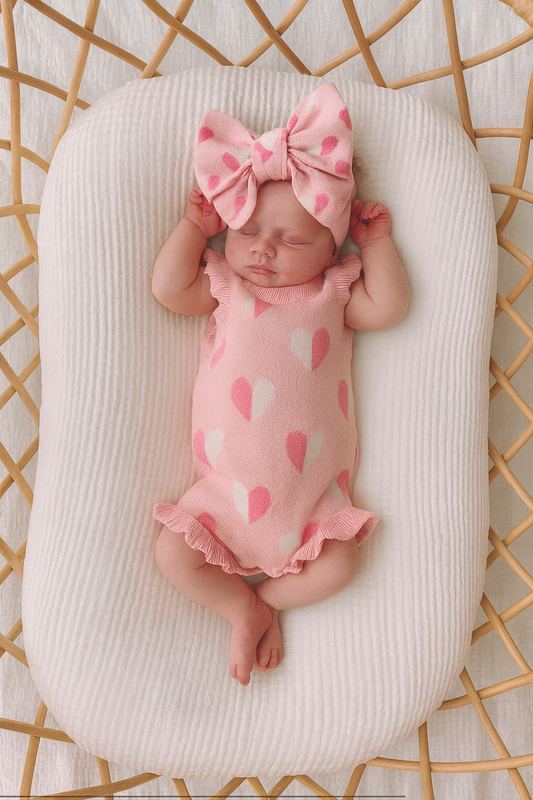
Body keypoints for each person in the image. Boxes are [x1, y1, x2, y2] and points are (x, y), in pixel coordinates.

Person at [152, 83, 409, 686]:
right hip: (222, 495)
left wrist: (378, 246)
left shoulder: (335, 293)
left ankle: (269, 601)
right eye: (245, 232)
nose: (263, 251)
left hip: (311, 499)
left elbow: (391, 307)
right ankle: (239, 604)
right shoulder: (223, 286)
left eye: (292, 240)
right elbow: (167, 288)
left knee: (341, 563)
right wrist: (195, 226)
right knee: (172, 554)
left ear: (332, 245)